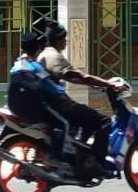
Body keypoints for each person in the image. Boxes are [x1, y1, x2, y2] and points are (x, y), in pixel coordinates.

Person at [38, 21, 118, 174]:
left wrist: (96, 84)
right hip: (59, 106)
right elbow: (78, 76)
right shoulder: (53, 56)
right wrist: (108, 84)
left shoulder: (45, 53)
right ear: (58, 39)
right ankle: (97, 163)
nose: (66, 41)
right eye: (64, 38)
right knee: (104, 121)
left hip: (54, 104)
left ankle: (79, 154)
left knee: (86, 116)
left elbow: (74, 78)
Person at [8, 31, 66, 164]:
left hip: (15, 108)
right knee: (63, 124)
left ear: (22, 49)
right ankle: (54, 158)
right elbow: (54, 89)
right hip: (34, 110)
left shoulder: (17, 64)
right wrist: (62, 88)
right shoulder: (36, 67)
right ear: (38, 49)